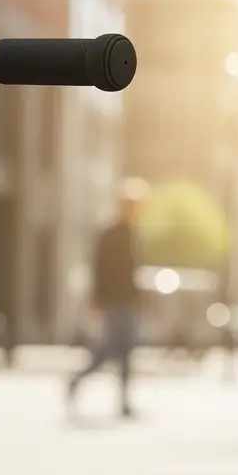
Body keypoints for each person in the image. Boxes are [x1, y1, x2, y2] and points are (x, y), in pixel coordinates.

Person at [66, 177, 149, 418]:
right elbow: (99, 268)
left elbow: (134, 272)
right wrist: (97, 299)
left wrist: (139, 298)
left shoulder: (133, 233)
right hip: (114, 300)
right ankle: (79, 380)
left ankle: (122, 401)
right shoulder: (110, 233)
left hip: (127, 300)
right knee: (114, 348)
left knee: (124, 350)